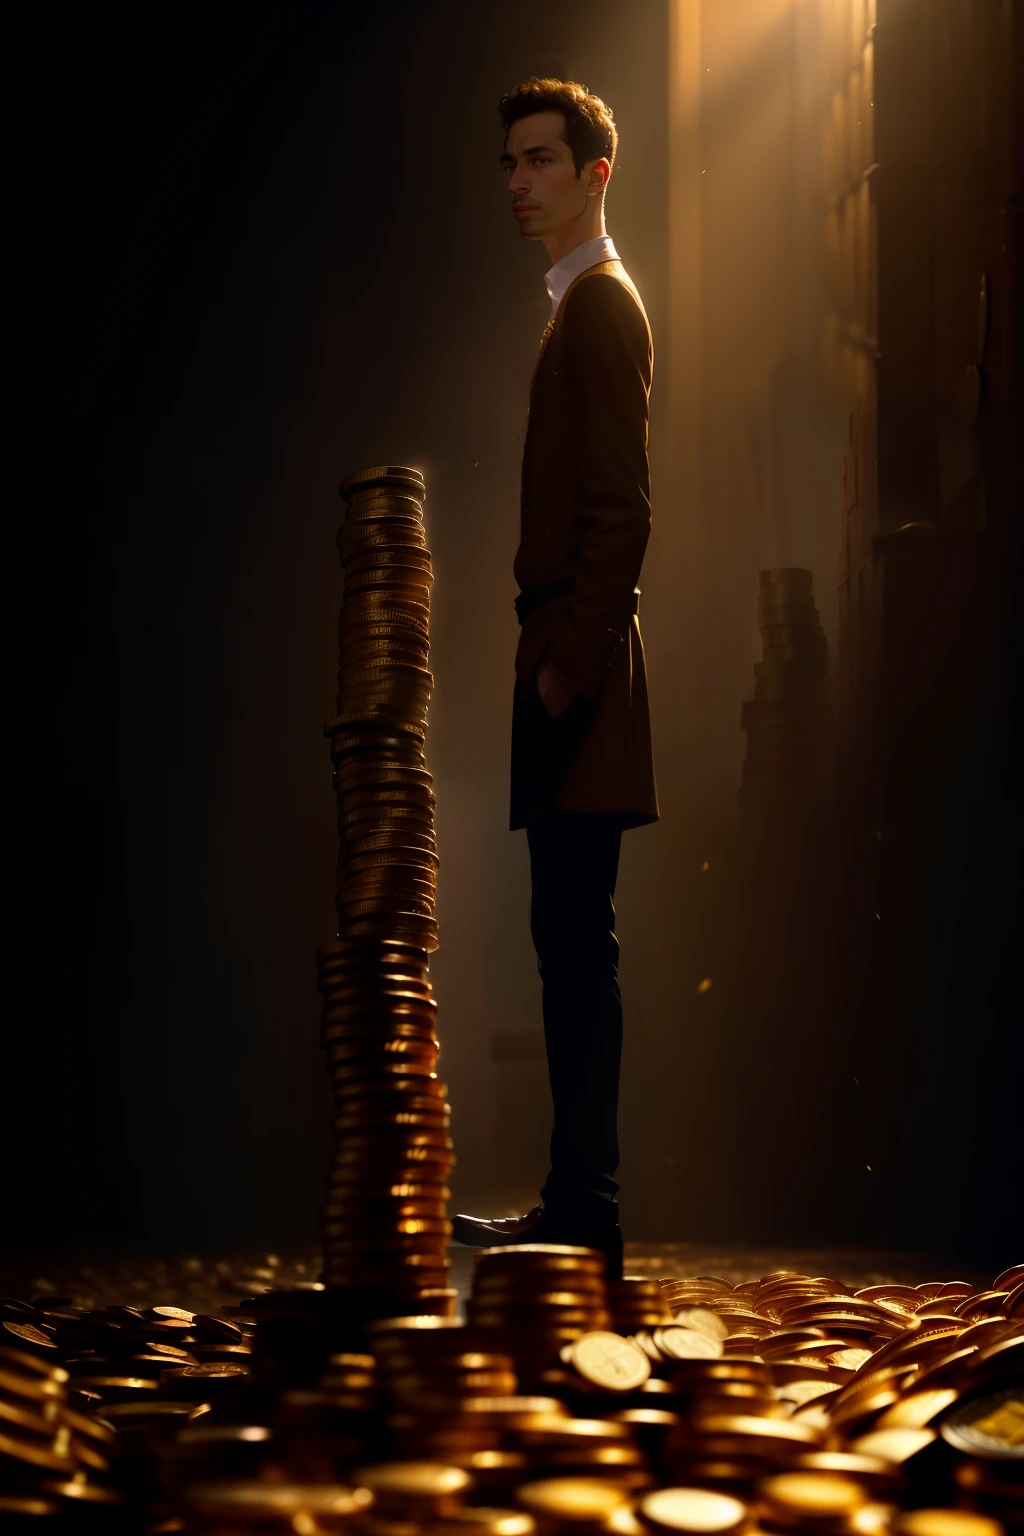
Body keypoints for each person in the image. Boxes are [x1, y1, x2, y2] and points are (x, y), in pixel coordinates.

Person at [451, 78, 658, 1277]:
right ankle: (578, 1200)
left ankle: (587, 1207)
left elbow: (624, 515)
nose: (517, 183)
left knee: (578, 941)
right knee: (568, 937)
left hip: (573, 673)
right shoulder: (577, 306)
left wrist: (562, 675)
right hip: (564, 666)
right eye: (509, 162)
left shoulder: (598, 308)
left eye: (538, 160)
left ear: (595, 173)